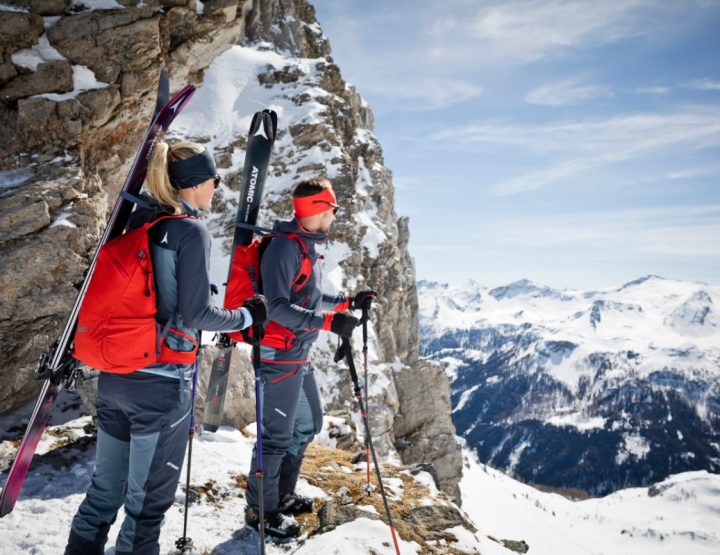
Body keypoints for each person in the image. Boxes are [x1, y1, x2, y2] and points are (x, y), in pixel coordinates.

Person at [65, 141, 268, 555]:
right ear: (194, 183)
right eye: (214, 180)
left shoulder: (138, 228)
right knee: (145, 508)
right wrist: (248, 316)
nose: (217, 189)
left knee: (103, 495)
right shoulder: (188, 231)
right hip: (160, 389)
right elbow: (197, 315)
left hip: (116, 380)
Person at [243, 176, 376, 539]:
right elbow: (276, 308)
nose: (334, 217)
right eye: (332, 210)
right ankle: (261, 510)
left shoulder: (305, 246)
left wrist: (348, 303)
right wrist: (329, 322)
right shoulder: (285, 249)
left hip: (297, 353)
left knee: (307, 425)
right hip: (278, 354)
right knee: (274, 437)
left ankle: (281, 495)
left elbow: (310, 298)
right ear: (319, 210)